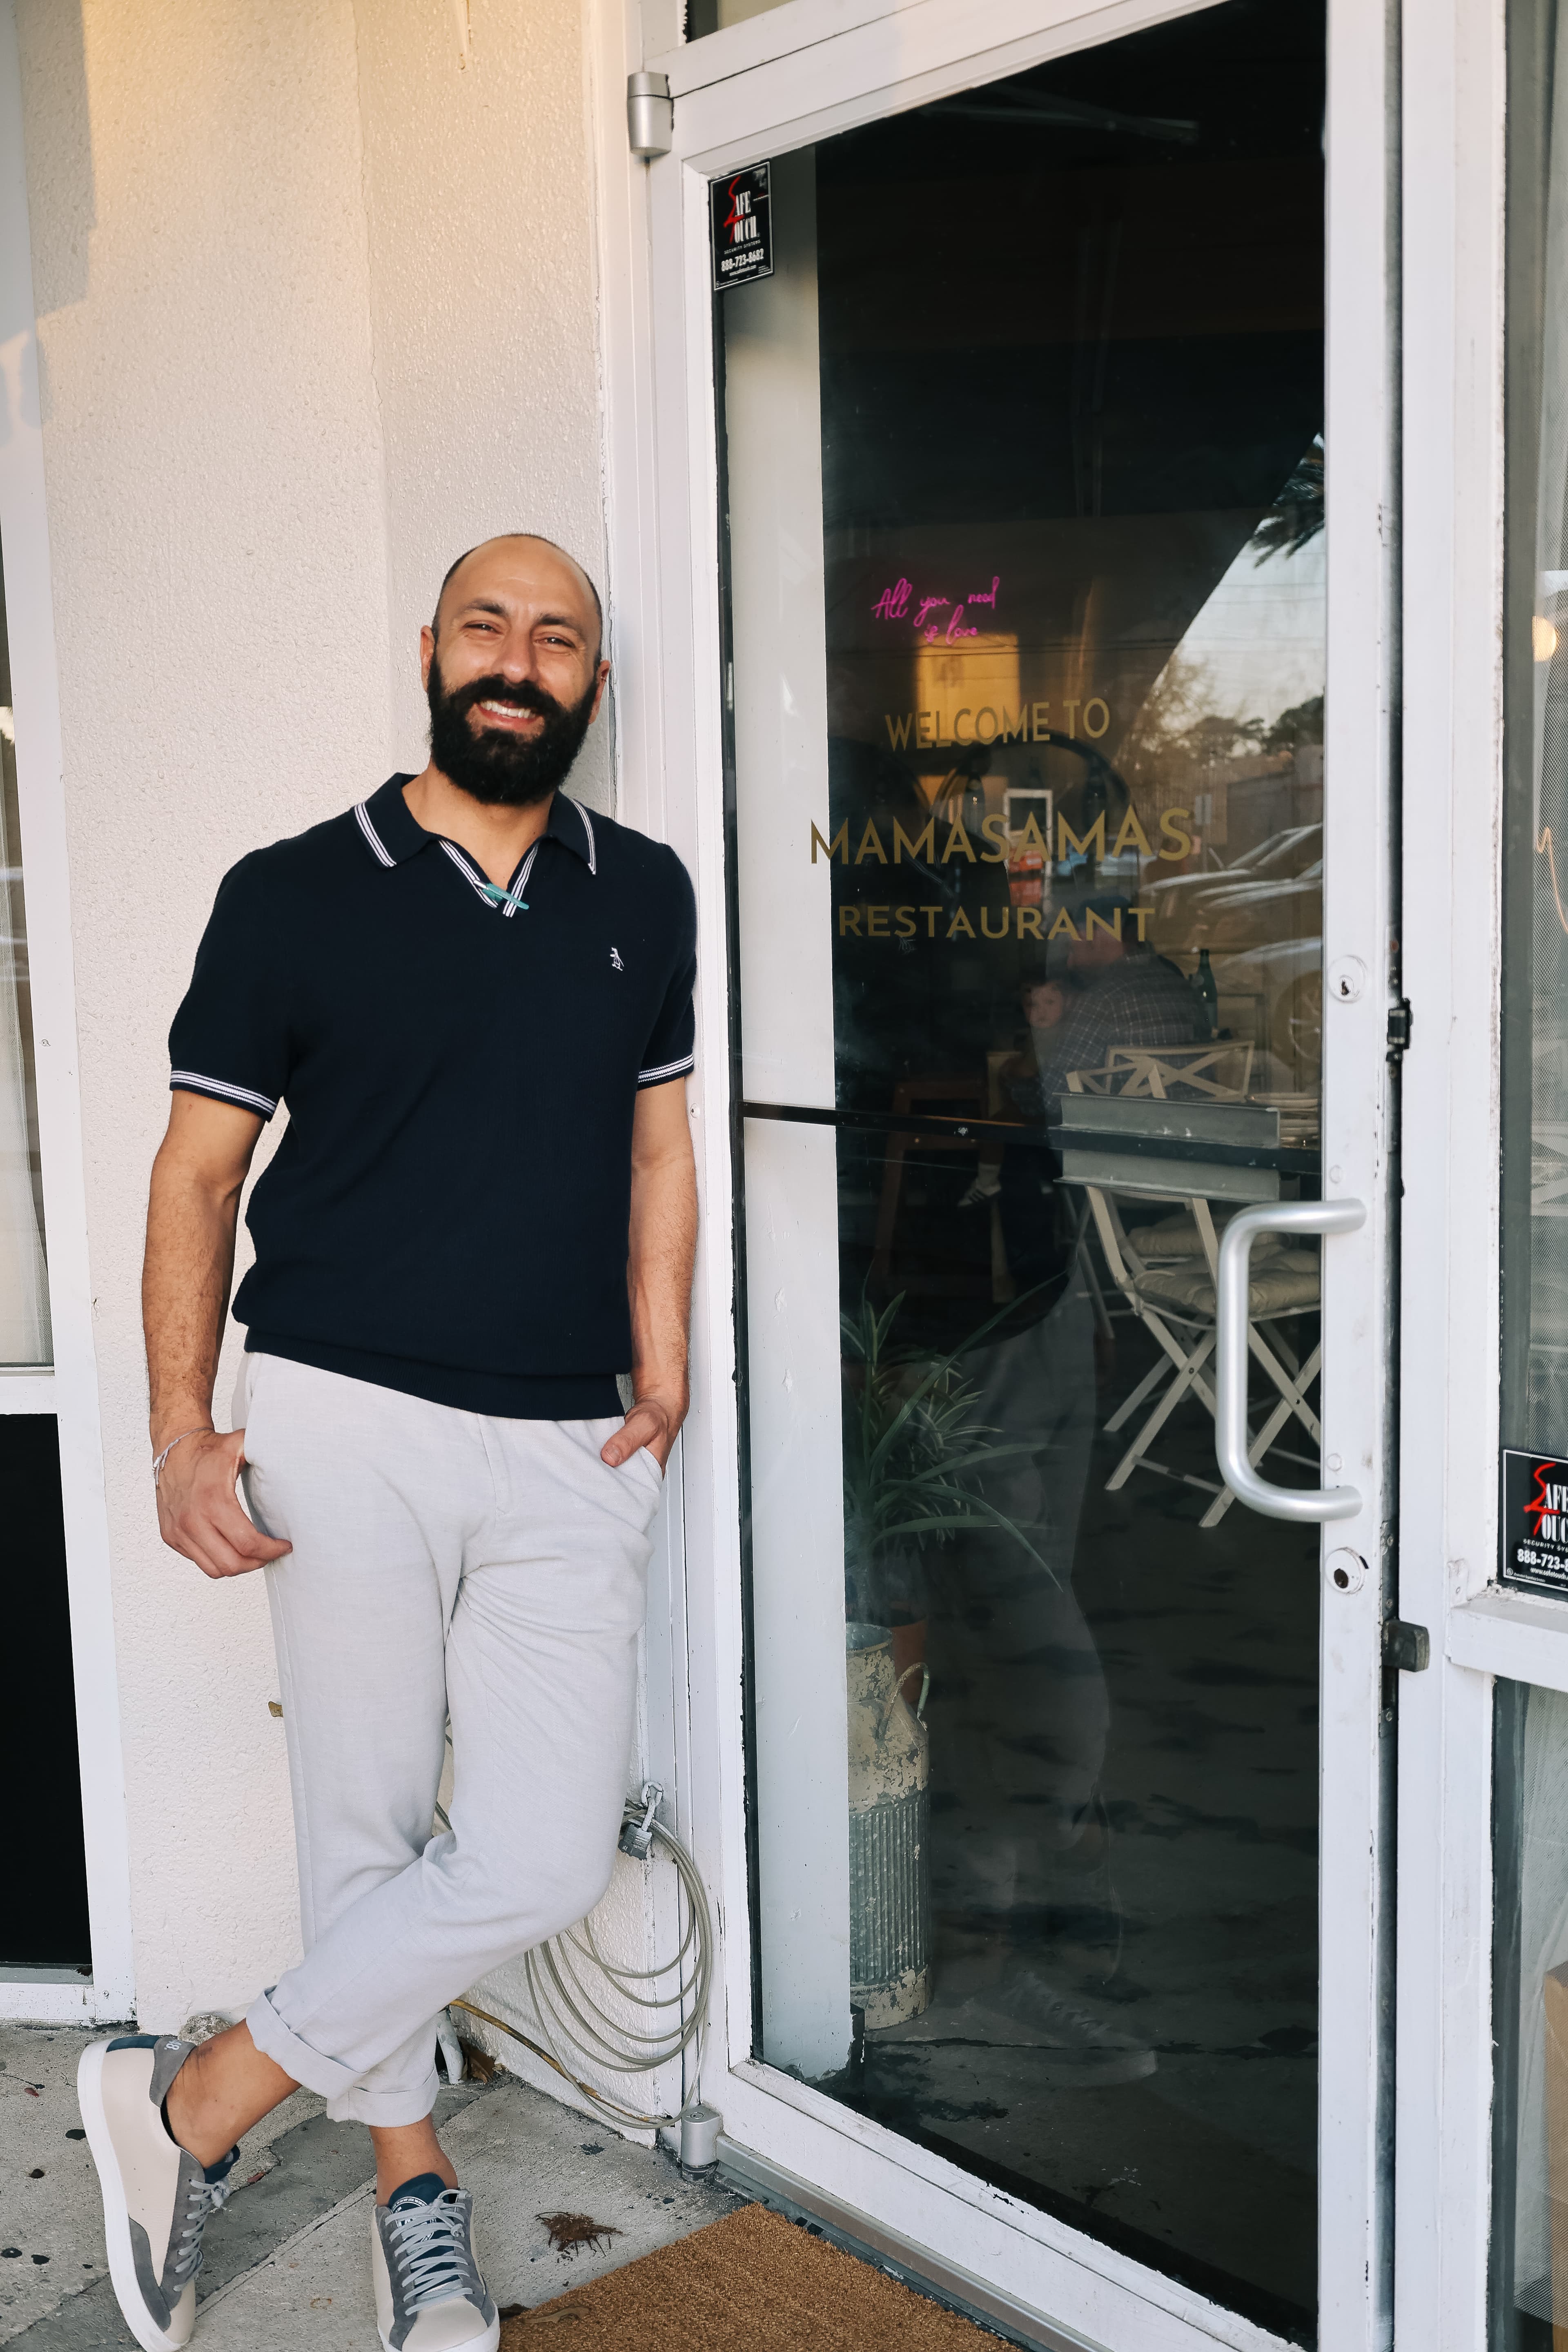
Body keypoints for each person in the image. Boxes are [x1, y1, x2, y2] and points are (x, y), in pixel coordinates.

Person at [77, 535, 698, 2352]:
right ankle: (413, 2201)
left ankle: (192, 2106)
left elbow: (659, 1151)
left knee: (533, 1850)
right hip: (344, 1413)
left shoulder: (641, 893)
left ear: (591, 680)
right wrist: (184, 1431)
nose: (521, 662)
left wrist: (661, 1380)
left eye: (559, 638)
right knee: (363, 1828)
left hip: (573, 1438)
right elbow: (200, 1177)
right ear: (431, 653)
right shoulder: (290, 893)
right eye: (489, 629)